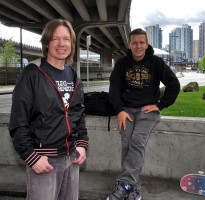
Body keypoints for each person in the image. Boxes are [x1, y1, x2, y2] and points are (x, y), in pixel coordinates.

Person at [8, 19, 89, 200]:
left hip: (72, 157)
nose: (62, 44)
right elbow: (17, 121)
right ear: (46, 42)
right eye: (55, 39)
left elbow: (78, 114)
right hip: (45, 160)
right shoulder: (32, 73)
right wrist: (31, 156)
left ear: (72, 44)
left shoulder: (72, 74)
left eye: (66, 39)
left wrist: (82, 144)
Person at [106, 28, 180, 200]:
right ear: (129, 45)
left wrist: (160, 105)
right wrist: (119, 110)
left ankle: (124, 184)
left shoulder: (156, 63)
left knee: (137, 142)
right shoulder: (122, 63)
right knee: (126, 144)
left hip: (147, 111)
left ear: (147, 44)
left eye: (142, 42)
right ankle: (132, 189)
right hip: (127, 111)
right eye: (135, 42)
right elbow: (114, 89)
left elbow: (174, 84)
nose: (138, 46)